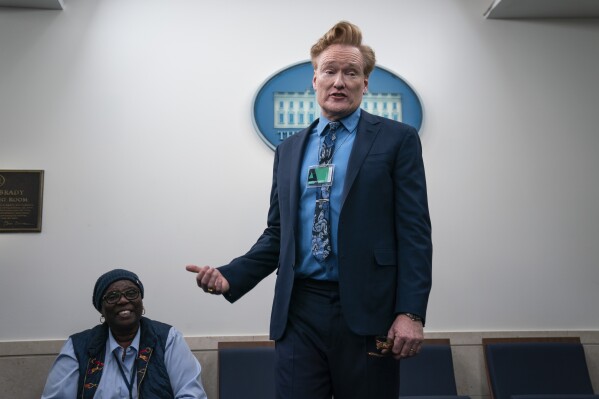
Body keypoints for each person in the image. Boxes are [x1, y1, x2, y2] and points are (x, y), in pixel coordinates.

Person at [187, 20, 432, 399]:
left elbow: (414, 234)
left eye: (351, 73)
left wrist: (411, 313)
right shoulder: (289, 150)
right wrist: (230, 275)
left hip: (370, 310)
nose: (339, 81)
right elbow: (278, 234)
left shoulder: (397, 140)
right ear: (314, 80)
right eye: (330, 71)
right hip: (300, 309)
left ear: (365, 84)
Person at [41, 269, 208, 399]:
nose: (123, 300)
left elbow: (192, 395)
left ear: (140, 301)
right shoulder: (77, 347)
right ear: (101, 309)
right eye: (112, 296)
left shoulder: (168, 339)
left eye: (131, 293)